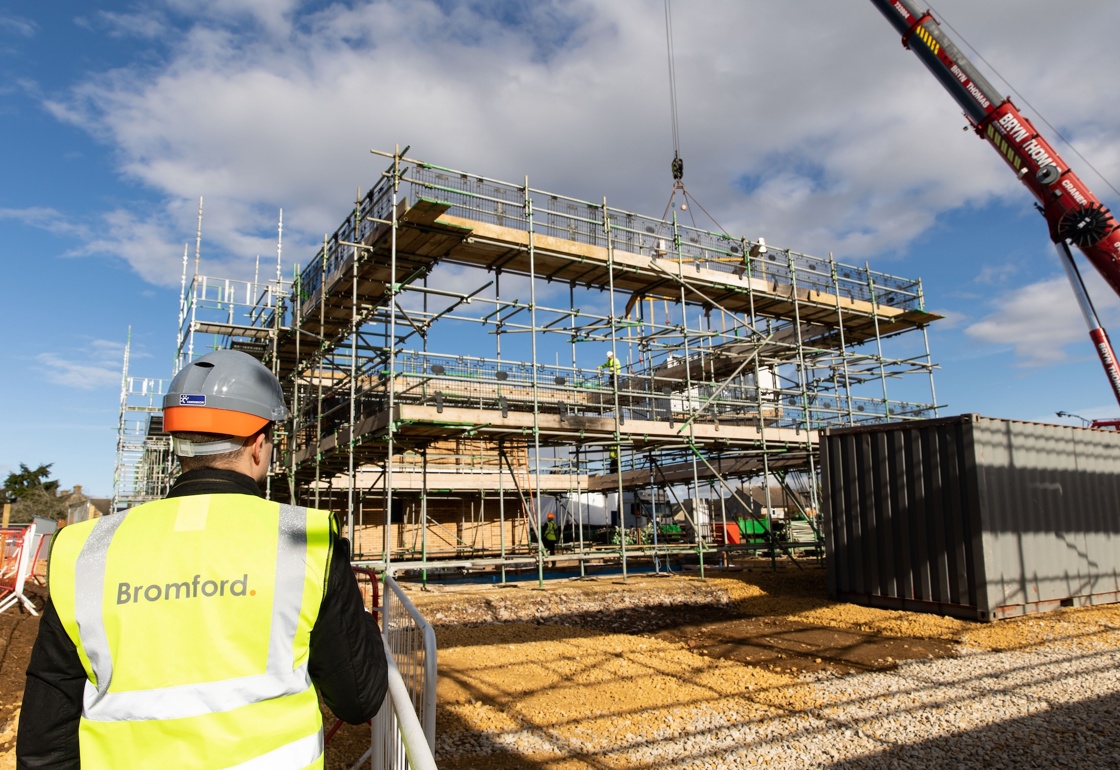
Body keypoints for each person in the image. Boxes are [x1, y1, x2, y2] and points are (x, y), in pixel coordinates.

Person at [17, 349, 387, 769]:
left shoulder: (82, 550)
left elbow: (46, 739)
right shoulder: (306, 540)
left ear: (179, 446)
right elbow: (359, 698)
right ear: (259, 445)